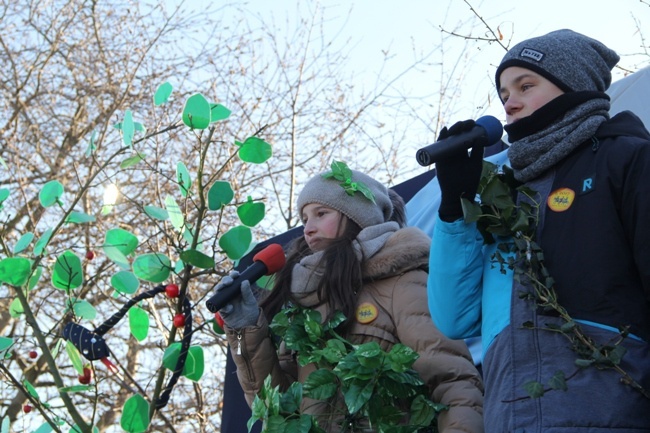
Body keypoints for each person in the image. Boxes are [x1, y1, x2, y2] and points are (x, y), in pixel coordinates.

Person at [427, 29, 650, 432]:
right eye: (503, 93)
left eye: (525, 85)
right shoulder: (504, 198)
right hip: (511, 418)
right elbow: (453, 320)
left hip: (613, 413)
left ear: (573, 86)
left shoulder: (625, 158)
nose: (509, 102)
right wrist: (453, 208)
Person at [216, 162, 485, 432]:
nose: (308, 228)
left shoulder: (402, 281)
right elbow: (275, 406)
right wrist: (242, 330)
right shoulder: (302, 302)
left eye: (321, 213)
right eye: (305, 218)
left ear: (358, 216)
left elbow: (454, 383)